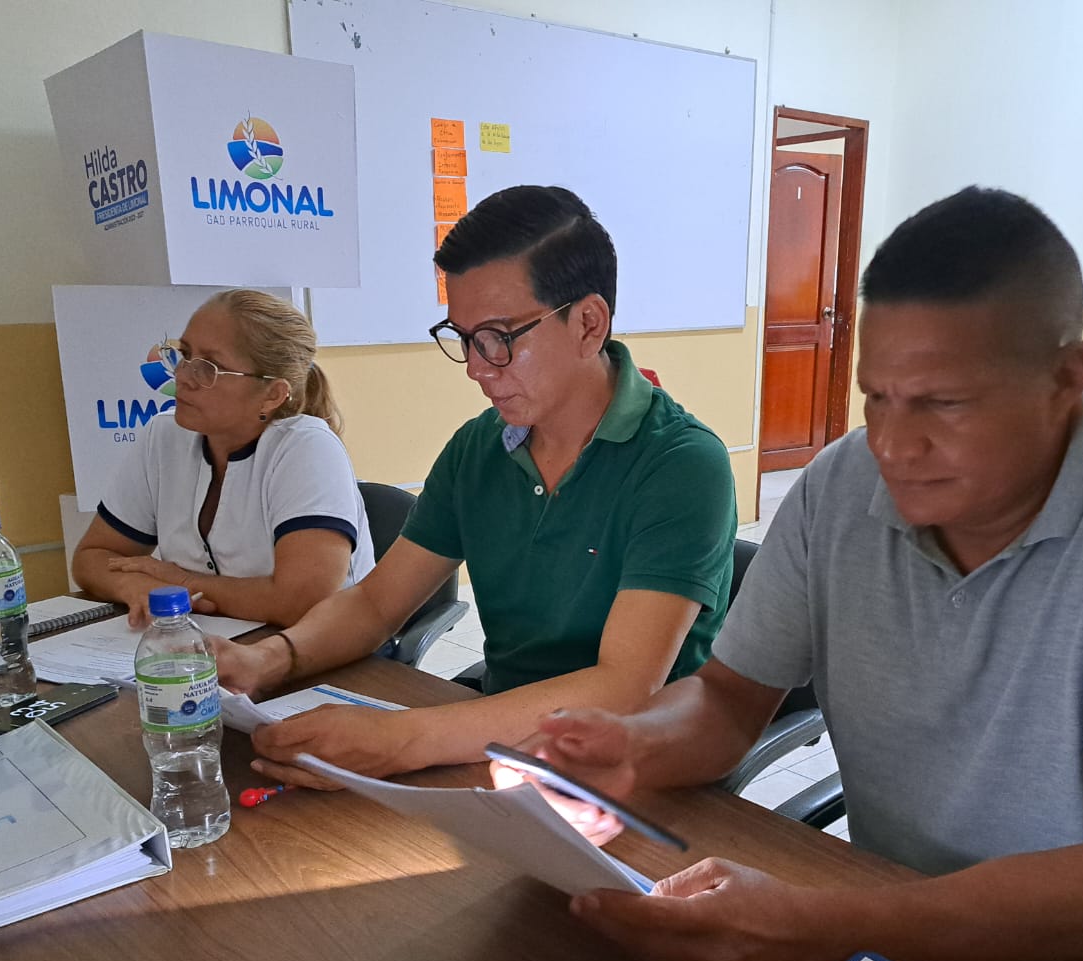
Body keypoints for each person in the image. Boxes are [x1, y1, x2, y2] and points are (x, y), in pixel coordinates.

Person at [519, 187, 1083, 961]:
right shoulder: (840, 487)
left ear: (1067, 379)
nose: (893, 446)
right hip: (908, 947)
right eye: (877, 398)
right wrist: (635, 745)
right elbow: (727, 700)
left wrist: (822, 930)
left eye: (943, 404)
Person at [215, 185, 736, 783]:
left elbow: (624, 685)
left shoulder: (681, 464)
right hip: (503, 748)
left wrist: (402, 740)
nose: (476, 368)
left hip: (640, 773)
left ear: (588, 324)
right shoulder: (479, 449)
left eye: (499, 338)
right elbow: (376, 603)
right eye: (464, 337)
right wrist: (268, 659)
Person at [72, 289, 374, 628]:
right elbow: (91, 558)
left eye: (209, 368)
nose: (182, 376)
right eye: (184, 355)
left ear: (272, 394)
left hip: (322, 649)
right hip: (208, 643)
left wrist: (180, 582)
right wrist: (135, 586)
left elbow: (301, 602)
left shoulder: (307, 448)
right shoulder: (164, 435)